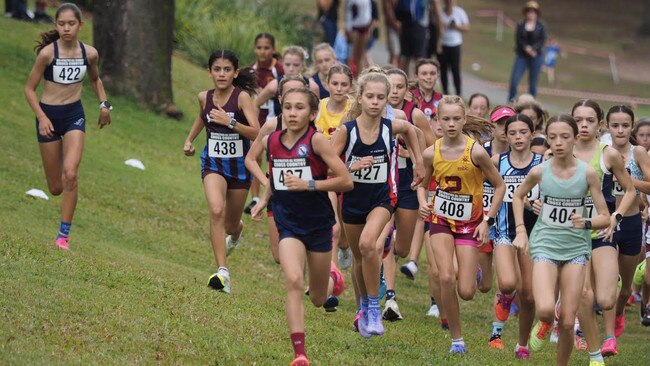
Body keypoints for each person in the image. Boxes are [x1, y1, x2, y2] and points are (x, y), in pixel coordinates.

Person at [248, 87, 353, 366]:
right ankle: (300, 354)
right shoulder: (271, 141)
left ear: (312, 113)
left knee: (318, 298)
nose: (293, 113)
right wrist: (262, 200)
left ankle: (334, 278)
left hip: (318, 225)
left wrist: (310, 184)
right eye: (288, 107)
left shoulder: (317, 141)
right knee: (294, 280)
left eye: (300, 108)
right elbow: (275, 177)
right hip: (288, 223)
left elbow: (345, 181)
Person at [512, 114, 611, 366]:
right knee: (544, 309)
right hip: (544, 243)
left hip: (576, 249)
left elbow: (604, 216)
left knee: (568, 321)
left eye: (565, 137)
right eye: (553, 137)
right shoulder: (540, 171)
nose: (558, 142)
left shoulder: (588, 174)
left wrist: (586, 222)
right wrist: (521, 230)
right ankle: (545, 322)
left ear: (575, 139)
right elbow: (517, 196)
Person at [331, 71, 424, 338]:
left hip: (382, 199)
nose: (374, 102)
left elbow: (410, 129)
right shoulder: (346, 131)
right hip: (352, 200)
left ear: (387, 101)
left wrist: (418, 162)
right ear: (359, 97)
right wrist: (352, 166)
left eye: (380, 97)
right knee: (360, 259)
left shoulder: (389, 127)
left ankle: (373, 308)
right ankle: (362, 307)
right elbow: (328, 163)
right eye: (369, 96)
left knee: (367, 244)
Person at [418, 95, 505, 354]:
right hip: (441, 220)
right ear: (438, 121)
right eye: (446, 119)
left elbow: (499, 186)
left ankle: (474, 272)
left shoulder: (476, 151)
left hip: (470, 223)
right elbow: (423, 186)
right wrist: (423, 202)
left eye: (457, 119)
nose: (452, 124)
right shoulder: (430, 153)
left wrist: (487, 220)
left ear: (464, 119)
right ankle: (457, 339)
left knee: (467, 291)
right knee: (445, 277)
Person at [24, 3, 112, 250]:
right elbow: (29, 89)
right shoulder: (47, 55)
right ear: (56, 25)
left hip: (74, 115)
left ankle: (63, 236)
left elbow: (95, 79)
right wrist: (42, 118)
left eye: (71, 24)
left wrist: (105, 105)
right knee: (56, 187)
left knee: (71, 173)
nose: (66, 28)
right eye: (61, 24)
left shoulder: (90, 53)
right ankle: (64, 191)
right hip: (49, 116)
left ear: (80, 25)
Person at [183, 50, 259, 294]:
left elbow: (258, 133)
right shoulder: (204, 97)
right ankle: (222, 272)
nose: (222, 74)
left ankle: (237, 234)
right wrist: (189, 139)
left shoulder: (241, 98)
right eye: (217, 69)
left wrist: (230, 122)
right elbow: (202, 117)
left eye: (227, 70)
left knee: (230, 224)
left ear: (235, 73)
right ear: (210, 72)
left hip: (239, 169)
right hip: (213, 164)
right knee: (216, 210)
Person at [570, 100, 636, 363]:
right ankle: (594, 348)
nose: (583, 125)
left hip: (602, 234)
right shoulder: (562, 150)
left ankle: (605, 287)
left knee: (606, 299)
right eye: (578, 120)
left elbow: (630, 190)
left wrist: (617, 215)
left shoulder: (608, 154)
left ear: (600, 124)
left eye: (589, 120)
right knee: (584, 295)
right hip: (571, 236)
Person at [381, 68, 435, 321]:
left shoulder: (413, 114)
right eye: (389, 86)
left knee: (401, 246)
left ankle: (390, 248)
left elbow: (434, 147)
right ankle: (390, 295)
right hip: (383, 183)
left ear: (407, 89)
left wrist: (413, 157)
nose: (394, 91)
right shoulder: (375, 110)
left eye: (399, 86)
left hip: (408, 183)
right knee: (385, 241)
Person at [488, 114, 542, 358]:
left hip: (535, 234)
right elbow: (484, 191)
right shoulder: (497, 161)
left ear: (532, 133)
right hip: (504, 230)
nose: (518, 137)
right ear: (506, 136)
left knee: (529, 295)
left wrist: (540, 204)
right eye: (513, 133)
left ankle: (522, 344)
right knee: (508, 283)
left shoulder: (543, 162)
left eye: (523, 132)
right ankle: (504, 301)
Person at [601, 105, 650, 355]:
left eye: (625, 125)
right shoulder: (602, 152)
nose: (620, 130)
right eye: (615, 125)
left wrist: (627, 180)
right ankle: (609, 338)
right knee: (611, 283)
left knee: (626, 288)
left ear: (632, 127)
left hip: (631, 223)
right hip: (607, 222)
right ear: (607, 127)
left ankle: (619, 312)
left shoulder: (638, 151)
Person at [246, 76, 310, 265]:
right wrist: (267, 183)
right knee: (279, 256)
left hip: (307, 196)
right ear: (280, 98)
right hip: (277, 195)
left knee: (304, 247)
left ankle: (308, 282)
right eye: (289, 93)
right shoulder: (272, 125)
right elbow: (250, 159)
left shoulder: (316, 127)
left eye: (300, 93)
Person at [314, 64, 354, 271]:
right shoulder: (318, 108)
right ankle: (332, 279)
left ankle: (345, 248)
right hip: (327, 172)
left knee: (346, 230)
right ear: (326, 84)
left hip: (351, 171)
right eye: (335, 84)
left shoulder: (355, 109)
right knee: (334, 227)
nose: (339, 88)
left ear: (351, 86)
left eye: (344, 84)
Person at [246, 33, 285, 215]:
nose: (262, 52)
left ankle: (272, 193)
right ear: (255, 49)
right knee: (256, 155)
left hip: (275, 119)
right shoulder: (250, 71)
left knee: (273, 157)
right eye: (259, 48)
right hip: (257, 119)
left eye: (266, 48)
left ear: (273, 49)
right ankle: (255, 197)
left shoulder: (279, 70)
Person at [507, 1, 547, 102]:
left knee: (533, 81)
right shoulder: (521, 24)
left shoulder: (541, 25)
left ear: (537, 13)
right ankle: (511, 100)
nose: (531, 13)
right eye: (529, 11)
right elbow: (519, 39)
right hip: (522, 55)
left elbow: (542, 40)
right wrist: (527, 48)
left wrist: (534, 49)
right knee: (515, 79)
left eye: (533, 11)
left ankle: (531, 103)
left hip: (536, 56)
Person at [438, 0, 469, 96]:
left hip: (455, 44)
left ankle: (459, 93)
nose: (449, 3)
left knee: (455, 70)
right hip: (443, 45)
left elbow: (467, 27)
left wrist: (456, 26)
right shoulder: (440, 12)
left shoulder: (459, 12)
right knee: (443, 70)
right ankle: (445, 93)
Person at [345, 0, 373, 75]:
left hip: (363, 27)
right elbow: (349, 13)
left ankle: (360, 76)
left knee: (360, 55)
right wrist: (348, 28)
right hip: (354, 27)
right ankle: (351, 75)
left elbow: (368, 13)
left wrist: (368, 28)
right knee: (353, 54)